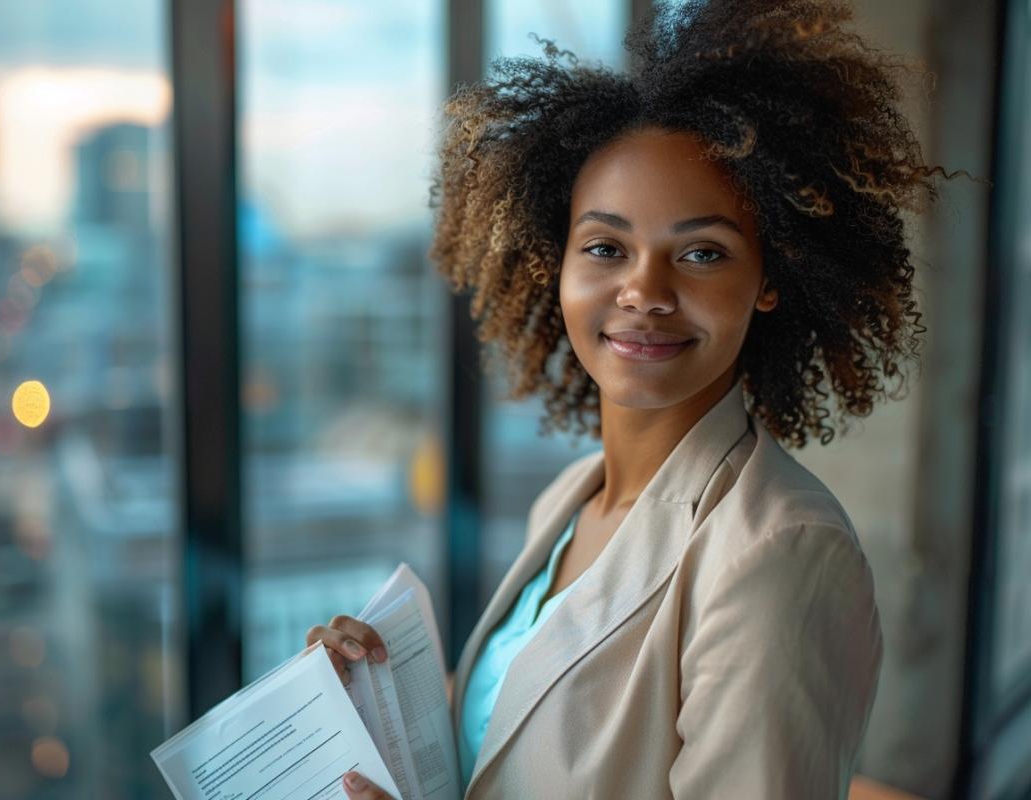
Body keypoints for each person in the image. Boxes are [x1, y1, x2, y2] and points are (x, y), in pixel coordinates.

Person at [305, 0, 966, 797]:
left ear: (768, 281)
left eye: (701, 251)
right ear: (559, 265)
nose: (644, 291)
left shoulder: (781, 553)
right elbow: (511, 744)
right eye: (605, 247)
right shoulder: (570, 500)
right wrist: (373, 706)